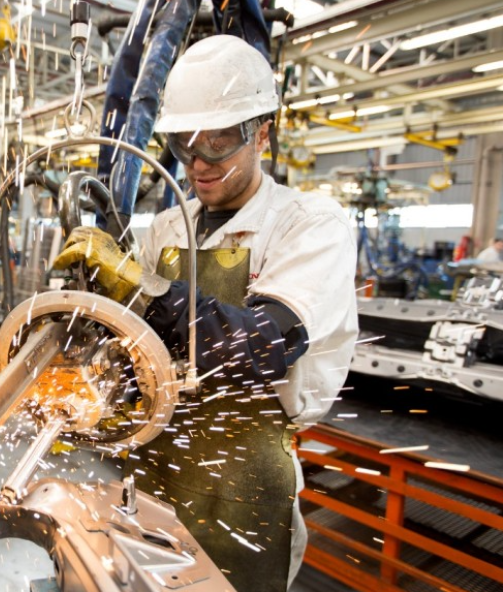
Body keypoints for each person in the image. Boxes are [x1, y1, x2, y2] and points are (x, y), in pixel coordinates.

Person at [53, 35, 359, 592]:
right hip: (154, 465)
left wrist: (141, 285)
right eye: (183, 143)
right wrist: (86, 395)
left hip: (245, 483)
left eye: (217, 142)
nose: (197, 162)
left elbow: (259, 346)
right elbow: (138, 346)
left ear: (261, 131)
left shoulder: (309, 225)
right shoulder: (169, 227)